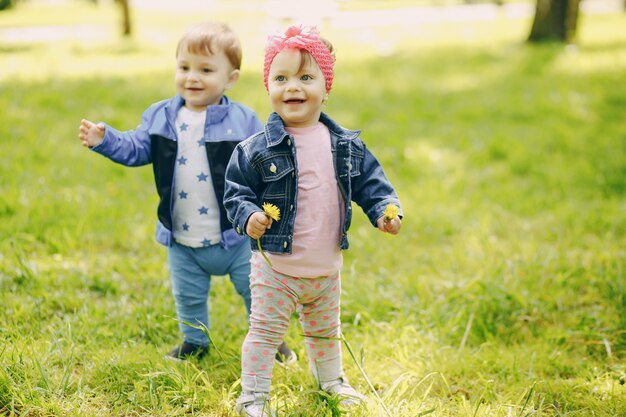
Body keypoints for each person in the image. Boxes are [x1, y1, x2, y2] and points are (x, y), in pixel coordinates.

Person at [77, 21, 295, 364]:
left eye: (206, 70)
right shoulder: (162, 115)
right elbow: (137, 148)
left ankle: (273, 339)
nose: (192, 77)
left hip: (238, 234)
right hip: (182, 236)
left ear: (231, 78)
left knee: (257, 292)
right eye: (184, 67)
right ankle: (195, 340)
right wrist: (107, 140)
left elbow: (264, 159)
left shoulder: (243, 120)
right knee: (188, 295)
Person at [223, 25, 402, 417]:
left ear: (326, 86)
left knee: (324, 332)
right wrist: (249, 216)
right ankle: (253, 396)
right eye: (281, 78)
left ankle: (332, 382)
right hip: (276, 268)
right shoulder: (256, 149)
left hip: (325, 269)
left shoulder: (345, 145)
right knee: (266, 333)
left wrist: (386, 212)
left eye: (306, 77)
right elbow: (236, 192)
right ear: (267, 86)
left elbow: (373, 183)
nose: (293, 87)